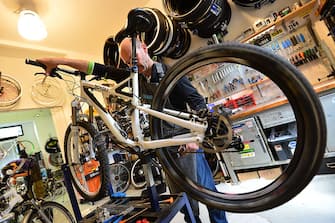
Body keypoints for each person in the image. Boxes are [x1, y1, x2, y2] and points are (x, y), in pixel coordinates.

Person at [36, 37, 228, 223]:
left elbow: (197, 102)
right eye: (128, 62)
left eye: (133, 58)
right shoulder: (134, 79)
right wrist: (58, 61)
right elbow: (98, 69)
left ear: (144, 47)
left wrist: (195, 139)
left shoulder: (170, 73)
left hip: (186, 146)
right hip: (166, 153)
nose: (132, 65)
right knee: (187, 206)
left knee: (210, 198)